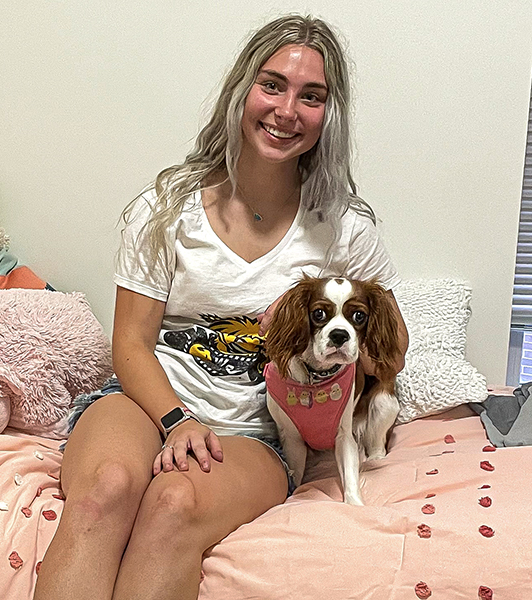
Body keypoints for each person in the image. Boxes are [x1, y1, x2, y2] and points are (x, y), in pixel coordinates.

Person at [33, 14, 408, 600]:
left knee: (174, 503)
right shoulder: (166, 207)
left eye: (312, 96)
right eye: (272, 85)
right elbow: (130, 343)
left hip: (256, 431)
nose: (288, 110)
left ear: (327, 115)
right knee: (105, 487)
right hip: (147, 401)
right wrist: (177, 421)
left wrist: (325, 348)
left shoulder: (344, 227)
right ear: (241, 91)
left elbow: (387, 341)